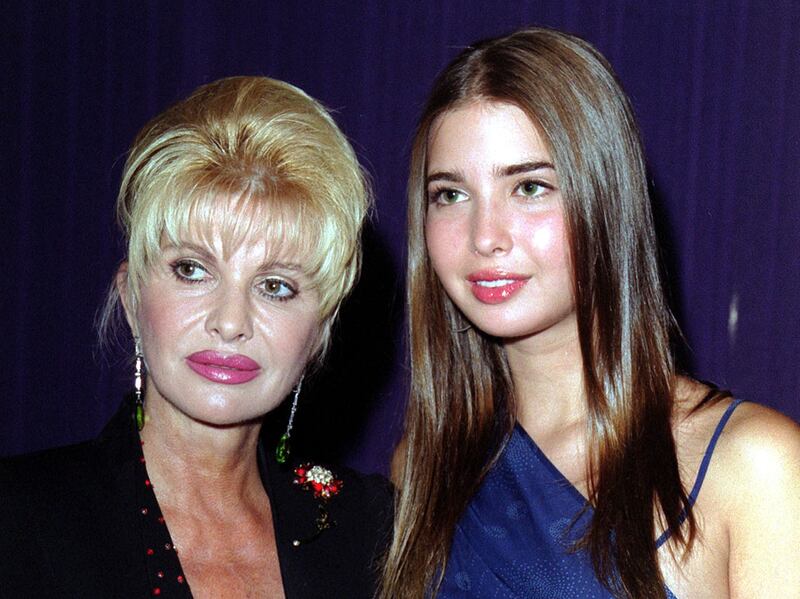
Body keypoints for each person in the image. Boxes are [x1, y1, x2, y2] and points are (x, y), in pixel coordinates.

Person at [383, 27, 800, 599]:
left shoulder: (755, 467)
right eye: (450, 195)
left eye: (529, 187)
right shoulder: (421, 468)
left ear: (605, 199)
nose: (485, 237)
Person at [0, 76, 392, 598]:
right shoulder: (19, 520)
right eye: (191, 270)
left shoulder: (372, 532)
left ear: (319, 333)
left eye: (275, 286)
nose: (230, 322)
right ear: (131, 298)